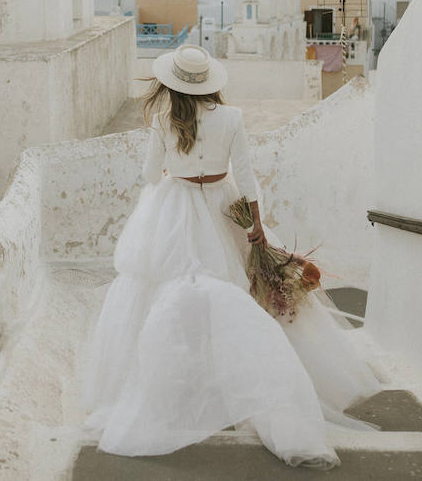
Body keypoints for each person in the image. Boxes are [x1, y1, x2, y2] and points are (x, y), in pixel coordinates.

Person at [81, 44, 380, 469]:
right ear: (210, 84)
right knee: (242, 293)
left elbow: (150, 176)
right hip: (226, 206)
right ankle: (246, 382)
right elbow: (247, 175)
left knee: (166, 294)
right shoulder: (233, 118)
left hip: (177, 207)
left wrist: (174, 169)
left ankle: (182, 383)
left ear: (171, 84)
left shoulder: (164, 121)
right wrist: (255, 227)